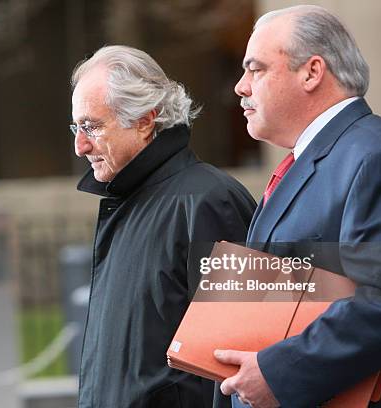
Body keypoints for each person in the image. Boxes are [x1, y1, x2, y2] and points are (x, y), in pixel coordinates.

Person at [213, 5, 381, 408]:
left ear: (312, 72)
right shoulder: (321, 158)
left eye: (256, 69)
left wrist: (280, 372)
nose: (240, 87)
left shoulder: (379, 157)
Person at [71, 45, 256, 408]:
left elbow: (238, 366)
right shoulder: (127, 199)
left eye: (91, 126)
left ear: (144, 121)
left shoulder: (209, 201)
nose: (80, 145)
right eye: (75, 126)